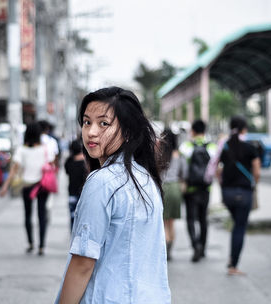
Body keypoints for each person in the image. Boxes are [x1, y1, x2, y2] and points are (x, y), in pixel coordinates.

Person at [55, 87, 170, 304]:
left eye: (103, 123)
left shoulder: (102, 183)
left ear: (128, 132)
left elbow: (82, 264)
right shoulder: (145, 179)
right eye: (87, 122)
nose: (91, 132)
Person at [0, 123, 55, 256]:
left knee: (28, 215)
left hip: (27, 186)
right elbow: (52, 165)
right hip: (42, 186)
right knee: (42, 216)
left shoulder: (21, 150)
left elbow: (14, 170)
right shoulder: (46, 149)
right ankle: (41, 246)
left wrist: (5, 186)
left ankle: (30, 243)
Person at [217, 116, 260, 275]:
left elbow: (218, 170)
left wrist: (223, 185)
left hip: (227, 193)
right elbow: (257, 172)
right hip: (244, 193)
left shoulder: (225, 147)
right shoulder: (250, 148)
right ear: (244, 129)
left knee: (237, 224)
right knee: (239, 227)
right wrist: (254, 183)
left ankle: (231, 260)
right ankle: (233, 265)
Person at [179, 119, 216, 262]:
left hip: (190, 188)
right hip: (206, 188)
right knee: (203, 218)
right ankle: (203, 247)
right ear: (204, 131)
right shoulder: (212, 147)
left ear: (192, 131)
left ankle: (195, 245)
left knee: (190, 218)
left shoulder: (185, 147)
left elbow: (182, 168)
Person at [160, 128, 187, 261]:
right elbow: (185, 173)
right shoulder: (179, 155)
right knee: (171, 223)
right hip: (175, 188)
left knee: (163, 223)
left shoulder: (159, 154)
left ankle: (165, 251)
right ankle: (170, 250)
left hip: (163, 188)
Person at [63, 138, 88, 231]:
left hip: (72, 192)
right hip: (82, 193)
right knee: (83, 217)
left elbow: (66, 172)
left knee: (73, 216)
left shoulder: (69, 161)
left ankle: (73, 236)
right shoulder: (85, 162)